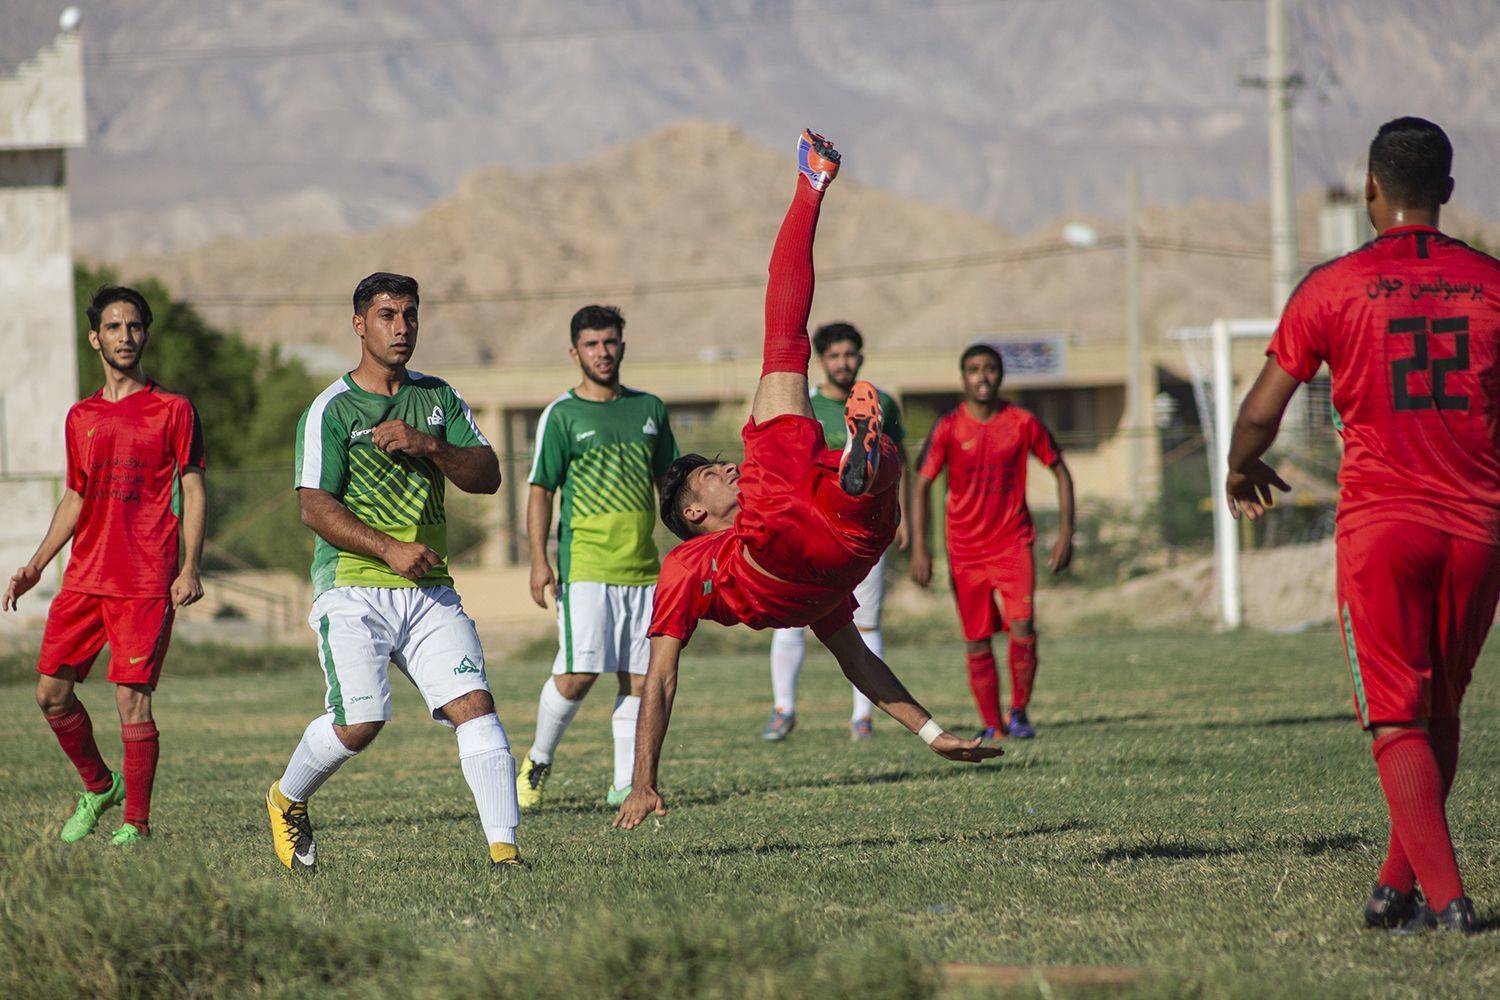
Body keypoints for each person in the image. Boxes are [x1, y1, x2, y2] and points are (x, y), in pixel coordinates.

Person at [613, 130, 1001, 832]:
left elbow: (858, 663)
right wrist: (640, 781)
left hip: (842, 555)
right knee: (783, 341)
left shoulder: (773, 585)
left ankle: (867, 466)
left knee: (865, 488)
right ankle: (810, 185)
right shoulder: (689, 563)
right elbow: (660, 677)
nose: (724, 467)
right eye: (709, 476)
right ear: (693, 513)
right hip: (777, 531)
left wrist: (931, 733)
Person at [1226, 117, 1499, 935]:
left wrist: (1240, 465)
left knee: (1395, 715)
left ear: (1370, 188)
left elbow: (1261, 410)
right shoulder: (1491, 282)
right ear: (1447, 191)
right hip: (1479, 528)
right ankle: (1392, 889)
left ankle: (1449, 904)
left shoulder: (1333, 286)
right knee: (1439, 707)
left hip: (1384, 527)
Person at [265, 272, 522, 871]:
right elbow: (314, 506)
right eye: (387, 315)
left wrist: (429, 445)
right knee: (361, 723)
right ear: (359, 325)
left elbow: (488, 476)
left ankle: (506, 854)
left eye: (409, 314)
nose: (401, 327)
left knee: (475, 706)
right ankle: (285, 798)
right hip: (353, 590)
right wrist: (388, 549)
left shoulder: (438, 398)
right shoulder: (330, 409)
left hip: (429, 589)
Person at [3, 285, 206, 846]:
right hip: (85, 577)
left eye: (134, 326)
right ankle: (99, 786)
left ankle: (136, 825)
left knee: (130, 700)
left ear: (146, 335)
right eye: (114, 327)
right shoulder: (81, 416)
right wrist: (37, 565)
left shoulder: (174, 409)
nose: (125, 336)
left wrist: (190, 567)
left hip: (145, 578)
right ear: (95, 338)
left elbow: (192, 487)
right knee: (50, 694)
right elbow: (75, 496)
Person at [518, 304, 678, 810]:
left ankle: (624, 784)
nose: (602, 352)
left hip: (644, 569)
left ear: (622, 346)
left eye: (609, 342)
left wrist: (692, 542)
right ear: (575, 353)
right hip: (585, 566)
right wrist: (539, 560)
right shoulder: (562, 414)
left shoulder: (650, 409)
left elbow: (670, 485)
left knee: (639, 679)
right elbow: (541, 489)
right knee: (577, 676)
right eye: (591, 344)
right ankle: (538, 760)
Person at [908, 345, 1074, 740]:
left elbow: (1061, 471)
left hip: (1013, 544)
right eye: (974, 370)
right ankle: (992, 724)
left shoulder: (1022, 422)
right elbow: (921, 484)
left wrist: (1067, 532)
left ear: (1001, 375)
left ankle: (1019, 712)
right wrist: (919, 547)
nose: (982, 377)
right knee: (976, 639)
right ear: (962, 378)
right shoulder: (949, 427)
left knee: (1023, 625)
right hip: (965, 551)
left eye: (990, 369)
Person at [763, 322, 908, 742]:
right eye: (835, 355)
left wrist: (903, 519)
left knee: (866, 621)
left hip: (865, 527)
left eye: (850, 354)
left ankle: (863, 717)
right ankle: (783, 709)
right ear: (821, 360)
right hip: (811, 525)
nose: (843, 362)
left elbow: (898, 464)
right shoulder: (804, 405)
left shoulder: (882, 403)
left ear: (860, 357)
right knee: (790, 618)